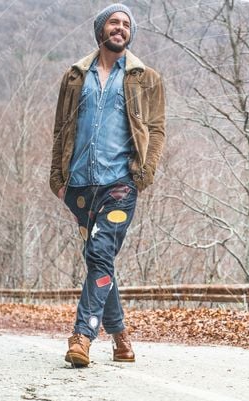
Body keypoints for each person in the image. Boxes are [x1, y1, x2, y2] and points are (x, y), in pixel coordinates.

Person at [49, 3, 166, 366]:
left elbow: (157, 130)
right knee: (99, 261)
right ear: (101, 30)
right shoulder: (74, 77)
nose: (120, 28)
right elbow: (61, 129)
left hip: (120, 184)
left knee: (100, 255)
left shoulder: (146, 78)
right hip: (80, 186)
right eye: (113, 23)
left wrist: (143, 173)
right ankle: (121, 338)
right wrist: (58, 179)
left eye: (126, 24)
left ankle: (82, 336)